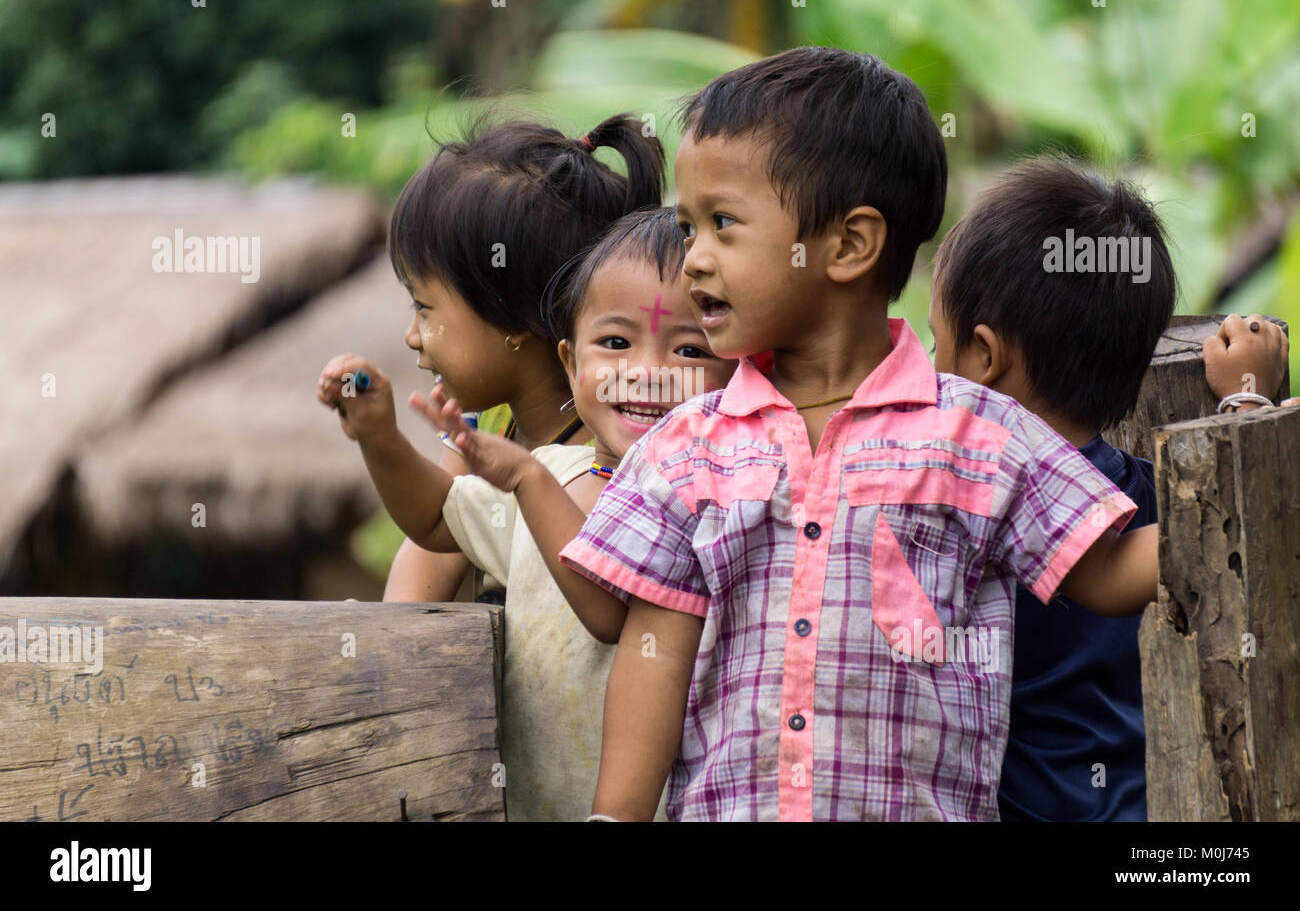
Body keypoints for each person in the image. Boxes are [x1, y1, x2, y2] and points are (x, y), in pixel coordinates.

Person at [558, 46, 1161, 821]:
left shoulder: (979, 435)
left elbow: (1109, 573)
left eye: (723, 224)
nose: (693, 260)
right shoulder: (684, 448)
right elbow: (655, 652)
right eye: (687, 227)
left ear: (848, 245)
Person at [927, 155, 1291, 821]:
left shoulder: (963, 508)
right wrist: (1245, 400)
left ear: (982, 356)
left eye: (935, 346)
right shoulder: (1151, 497)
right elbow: (1224, 518)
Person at [365, 112, 666, 605]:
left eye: (424, 308)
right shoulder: (483, 426)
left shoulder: (618, 441)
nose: (412, 336)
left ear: (511, 317)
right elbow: (437, 547)